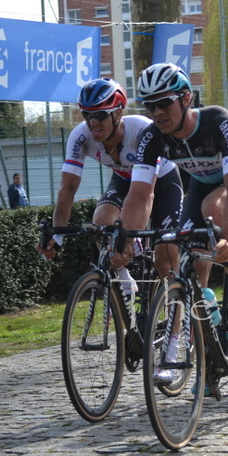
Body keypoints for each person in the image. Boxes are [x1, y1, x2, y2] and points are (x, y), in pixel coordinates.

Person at [113, 63, 228, 382]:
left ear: (186, 98)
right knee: (189, 259)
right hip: (203, 186)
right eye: (149, 104)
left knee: (216, 206)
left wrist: (226, 238)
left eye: (164, 102)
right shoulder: (152, 136)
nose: (157, 112)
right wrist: (126, 237)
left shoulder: (218, 121)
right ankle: (209, 348)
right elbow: (139, 195)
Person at [37, 77, 184, 307]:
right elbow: (67, 188)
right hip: (125, 178)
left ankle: (174, 339)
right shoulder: (80, 136)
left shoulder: (142, 130)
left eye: (100, 115)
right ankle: (125, 278)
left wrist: (131, 234)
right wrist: (57, 235)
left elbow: (146, 194)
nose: (93, 122)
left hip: (161, 183)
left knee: (165, 262)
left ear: (117, 114)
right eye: (87, 115)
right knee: (102, 222)